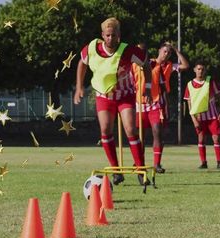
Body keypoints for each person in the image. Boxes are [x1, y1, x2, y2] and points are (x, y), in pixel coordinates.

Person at [74, 17, 152, 185]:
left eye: (114, 35)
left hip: (125, 95)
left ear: (119, 35)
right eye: (107, 35)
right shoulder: (93, 47)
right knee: (105, 129)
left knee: (131, 129)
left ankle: (140, 170)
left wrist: (147, 86)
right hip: (104, 96)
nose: (110, 39)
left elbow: (146, 63)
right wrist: (79, 87)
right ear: (103, 35)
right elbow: (82, 63)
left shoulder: (128, 51)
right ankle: (116, 171)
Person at [132, 42, 189, 174]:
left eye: (169, 53)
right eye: (165, 51)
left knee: (157, 131)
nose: (167, 54)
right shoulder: (145, 63)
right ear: (158, 51)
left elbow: (185, 66)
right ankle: (139, 161)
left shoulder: (168, 66)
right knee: (141, 136)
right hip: (139, 103)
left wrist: (176, 50)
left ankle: (157, 163)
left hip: (156, 102)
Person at [184, 60, 220, 169]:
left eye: (202, 69)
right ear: (194, 70)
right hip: (199, 118)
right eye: (198, 69)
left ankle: (219, 162)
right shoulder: (189, 85)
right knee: (201, 139)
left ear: (205, 71)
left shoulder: (211, 82)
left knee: (216, 138)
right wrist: (193, 119)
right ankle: (203, 162)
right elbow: (189, 104)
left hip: (212, 116)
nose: (200, 71)